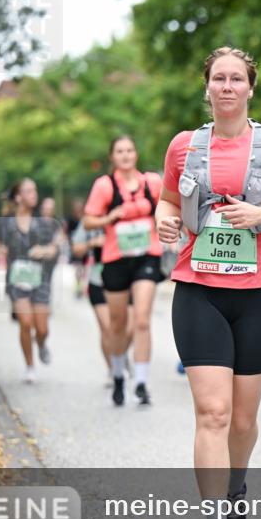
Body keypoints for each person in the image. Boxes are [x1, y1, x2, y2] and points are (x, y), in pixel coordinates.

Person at [155, 46, 261, 519]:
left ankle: (236, 486)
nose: (226, 86)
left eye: (235, 78)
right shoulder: (184, 146)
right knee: (213, 411)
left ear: (250, 88)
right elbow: (169, 202)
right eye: (218, 78)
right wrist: (165, 221)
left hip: (259, 293)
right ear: (207, 87)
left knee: (243, 420)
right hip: (198, 288)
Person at [83, 136, 164, 407]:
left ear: (136, 154)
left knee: (141, 320)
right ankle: (118, 374)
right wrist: (110, 217)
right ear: (112, 157)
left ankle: (141, 381)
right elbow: (88, 219)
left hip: (146, 256)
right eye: (120, 151)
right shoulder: (104, 185)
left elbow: (167, 208)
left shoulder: (152, 182)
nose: (126, 155)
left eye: (130, 150)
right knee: (117, 325)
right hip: (115, 258)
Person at [0, 178, 60, 383]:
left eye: (35, 190)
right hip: (17, 280)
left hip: (40, 280)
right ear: (18, 196)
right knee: (25, 322)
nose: (34, 194)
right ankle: (30, 366)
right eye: (29, 191)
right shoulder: (6, 222)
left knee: (42, 329)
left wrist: (45, 250)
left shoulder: (44, 221)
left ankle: (41, 344)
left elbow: (55, 248)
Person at [70, 221, 134, 386]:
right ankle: (113, 369)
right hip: (98, 280)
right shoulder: (91, 219)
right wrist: (93, 242)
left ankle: (120, 354)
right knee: (108, 328)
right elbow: (76, 249)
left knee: (129, 330)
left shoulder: (126, 214)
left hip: (127, 279)